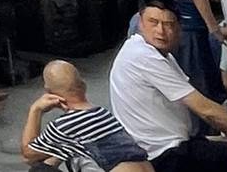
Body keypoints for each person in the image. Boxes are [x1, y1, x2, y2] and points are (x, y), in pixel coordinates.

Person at [109, 0, 227, 171]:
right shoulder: (145, 57)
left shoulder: (151, 52)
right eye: (153, 22)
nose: (160, 31)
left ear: (179, 28)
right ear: (140, 23)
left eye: (168, 24)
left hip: (174, 144)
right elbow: (206, 110)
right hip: (165, 155)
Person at [19, 59, 151, 172]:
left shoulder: (65, 126)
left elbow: (28, 155)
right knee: (52, 159)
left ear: (49, 92)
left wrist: (35, 110)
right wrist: (57, 153)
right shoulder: (102, 114)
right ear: (83, 85)